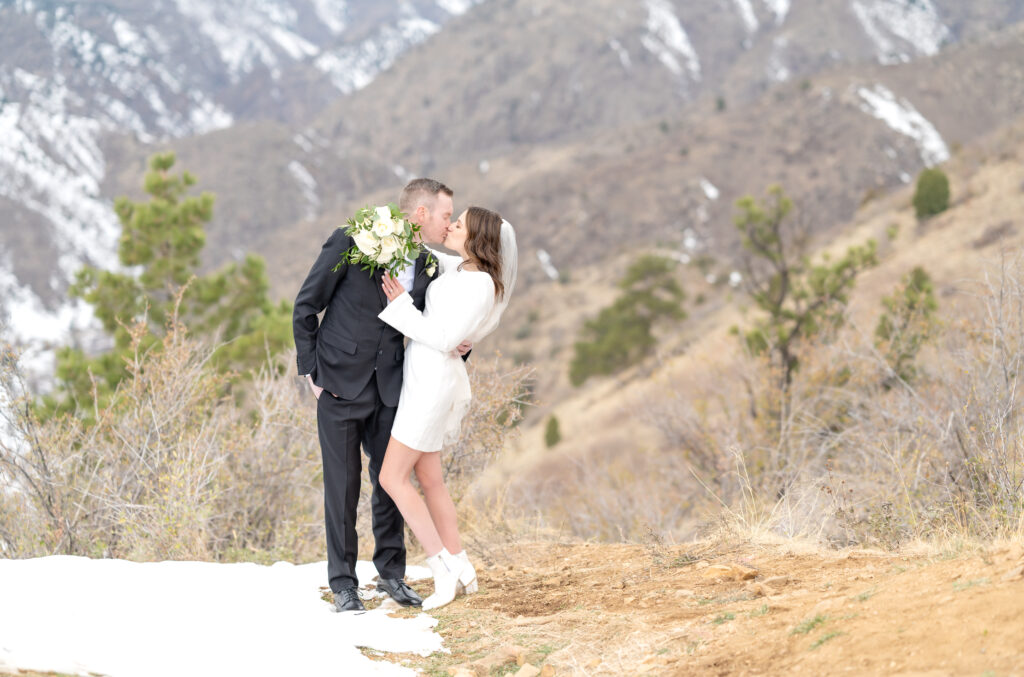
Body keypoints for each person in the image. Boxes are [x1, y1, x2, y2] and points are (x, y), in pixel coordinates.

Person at [292, 179, 470, 613]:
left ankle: (391, 574)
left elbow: (441, 322)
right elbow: (305, 306)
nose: (449, 224)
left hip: (392, 387)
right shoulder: (352, 240)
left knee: (390, 483)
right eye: (446, 215)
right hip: (337, 384)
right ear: (421, 214)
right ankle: (343, 583)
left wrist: (462, 345)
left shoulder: (429, 265)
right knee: (342, 487)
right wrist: (311, 372)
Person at [377, 206, 517, 611]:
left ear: (475, 237)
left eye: (460, 223)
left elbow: (443, 337)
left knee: (392, 477)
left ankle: (441, 570)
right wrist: (402, 228)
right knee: (429, 476)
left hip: (432, 384)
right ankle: (461, 563)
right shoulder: (461, 269)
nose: (452, 225)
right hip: (421, 376)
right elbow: (427, 255)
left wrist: (403, 306)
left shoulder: (481, 286)